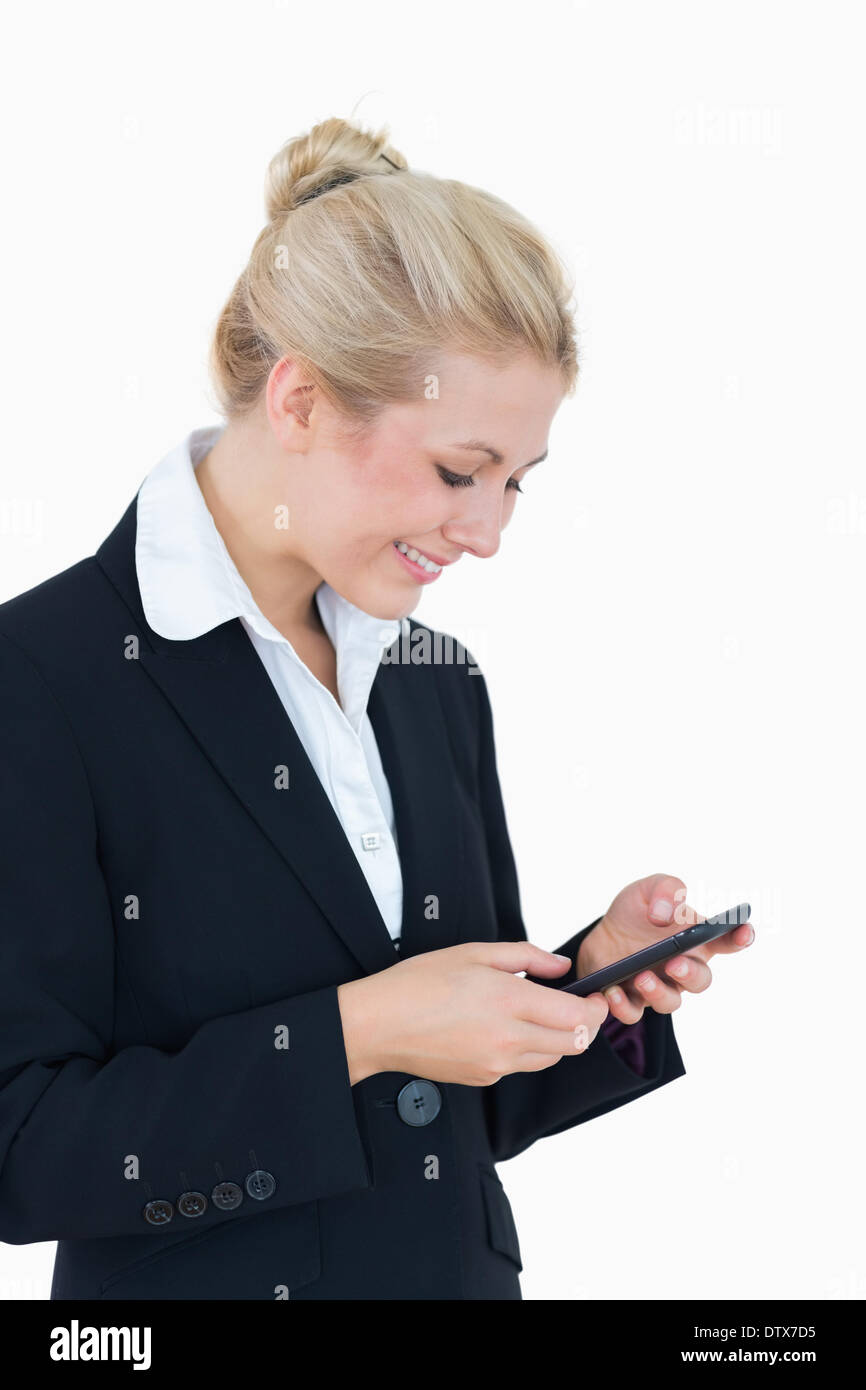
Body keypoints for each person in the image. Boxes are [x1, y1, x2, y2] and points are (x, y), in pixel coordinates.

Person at [0, 116, 754, 1301]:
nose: (488, 531)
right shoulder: (40, 679)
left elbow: (446, 1111)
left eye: (515, 481)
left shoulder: (429, 676)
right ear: (298, 402)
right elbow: (25, 1152)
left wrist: (587, 985)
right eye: (460, 471)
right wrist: (359, 1030)